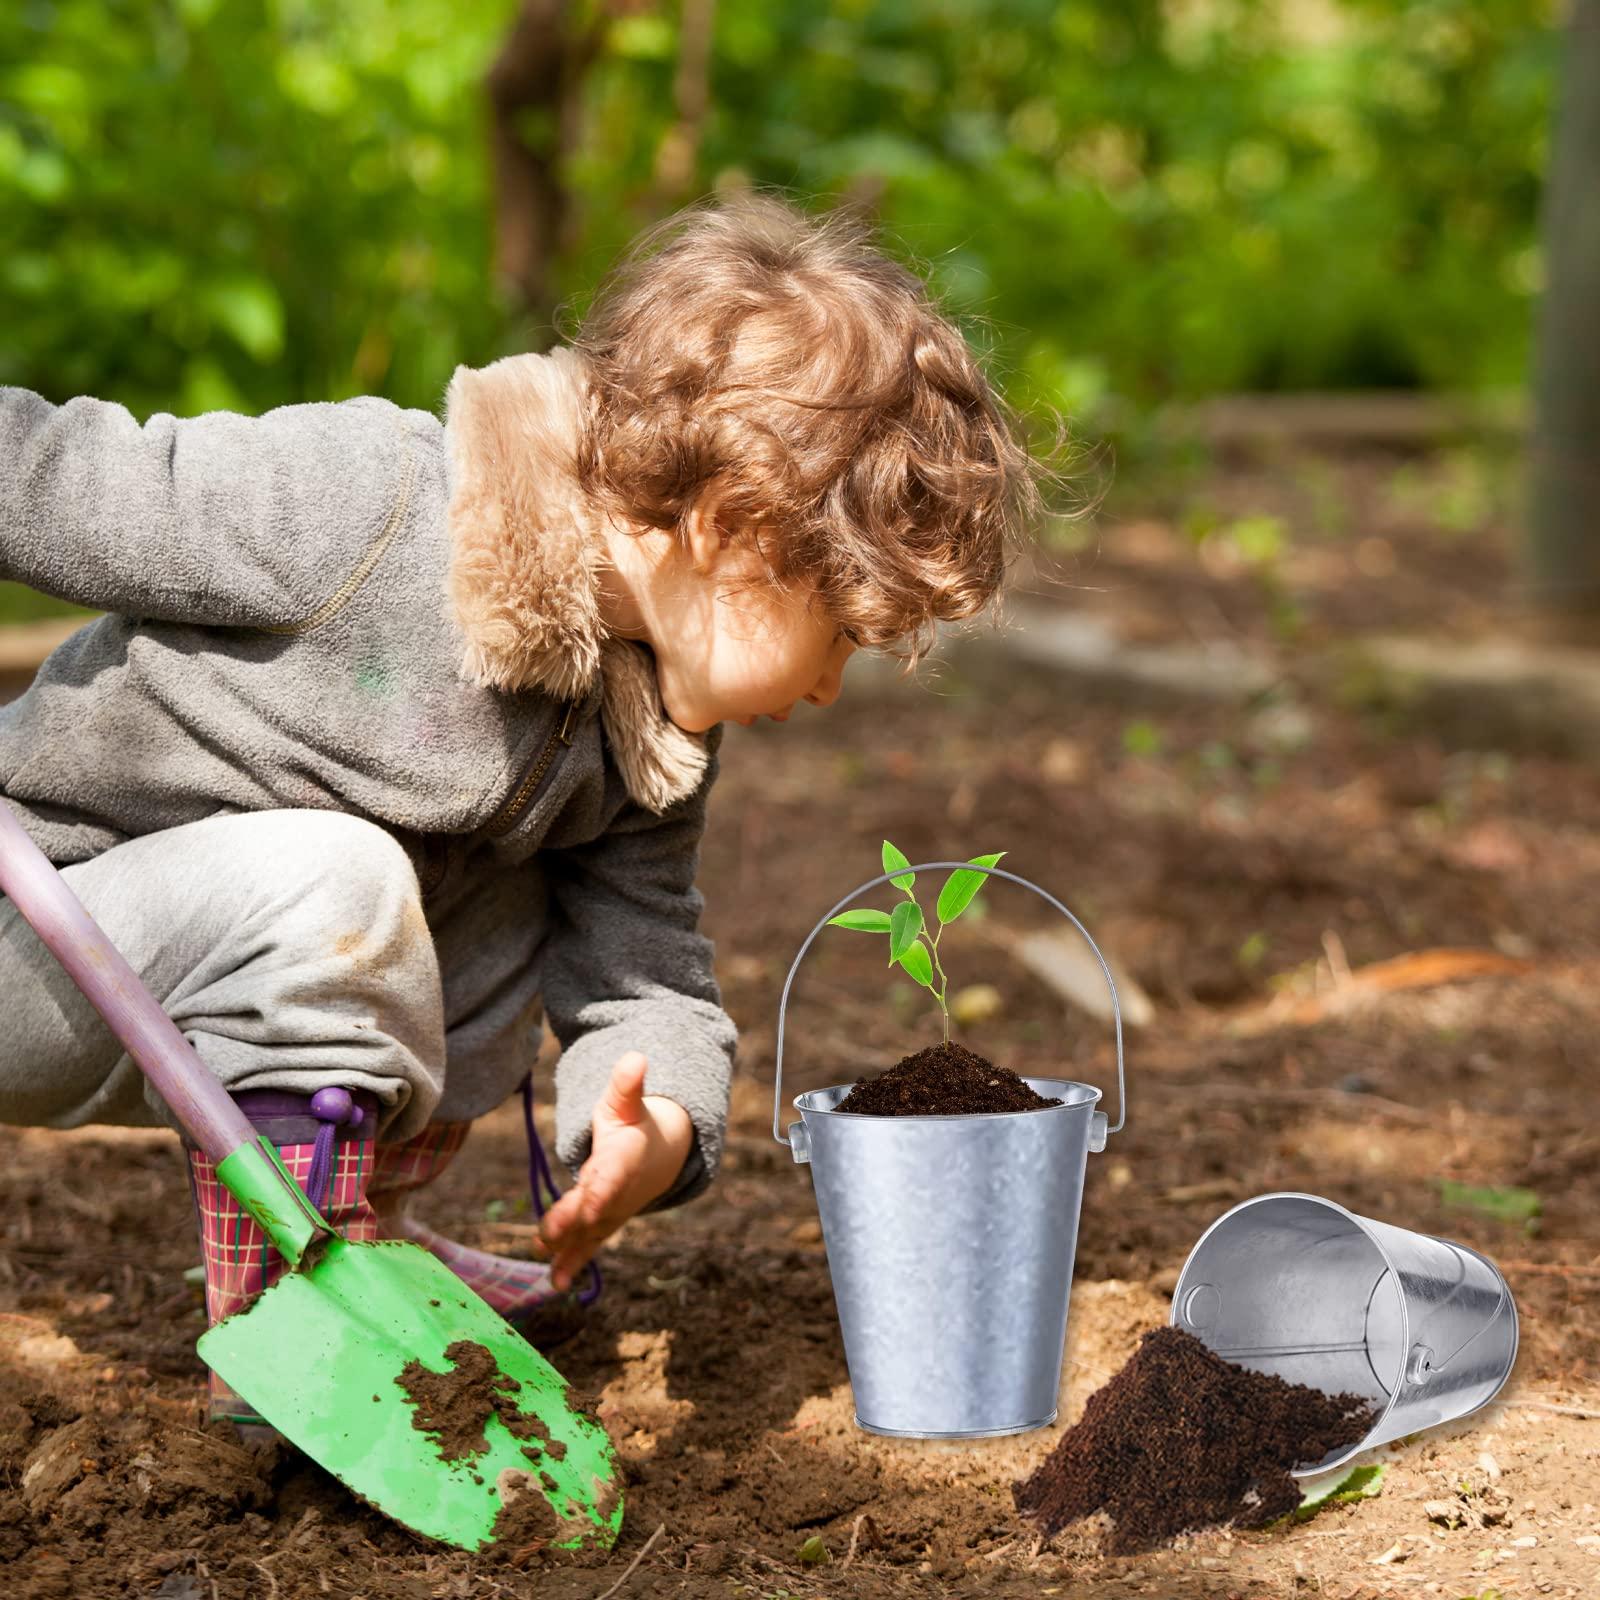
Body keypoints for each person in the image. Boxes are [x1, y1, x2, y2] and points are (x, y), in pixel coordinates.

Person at [0, 189, 1047, 1430]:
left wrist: (651, 1124)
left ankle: (358, 1246)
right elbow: (55, 474)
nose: (826, 687)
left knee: (481, 902)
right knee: (345, 880)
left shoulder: (644, 731)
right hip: (38, 934)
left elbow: (644, 972)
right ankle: (296, 1332)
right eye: (837, 638)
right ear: (722, 530)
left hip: (194, 1010)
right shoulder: (370, 506)